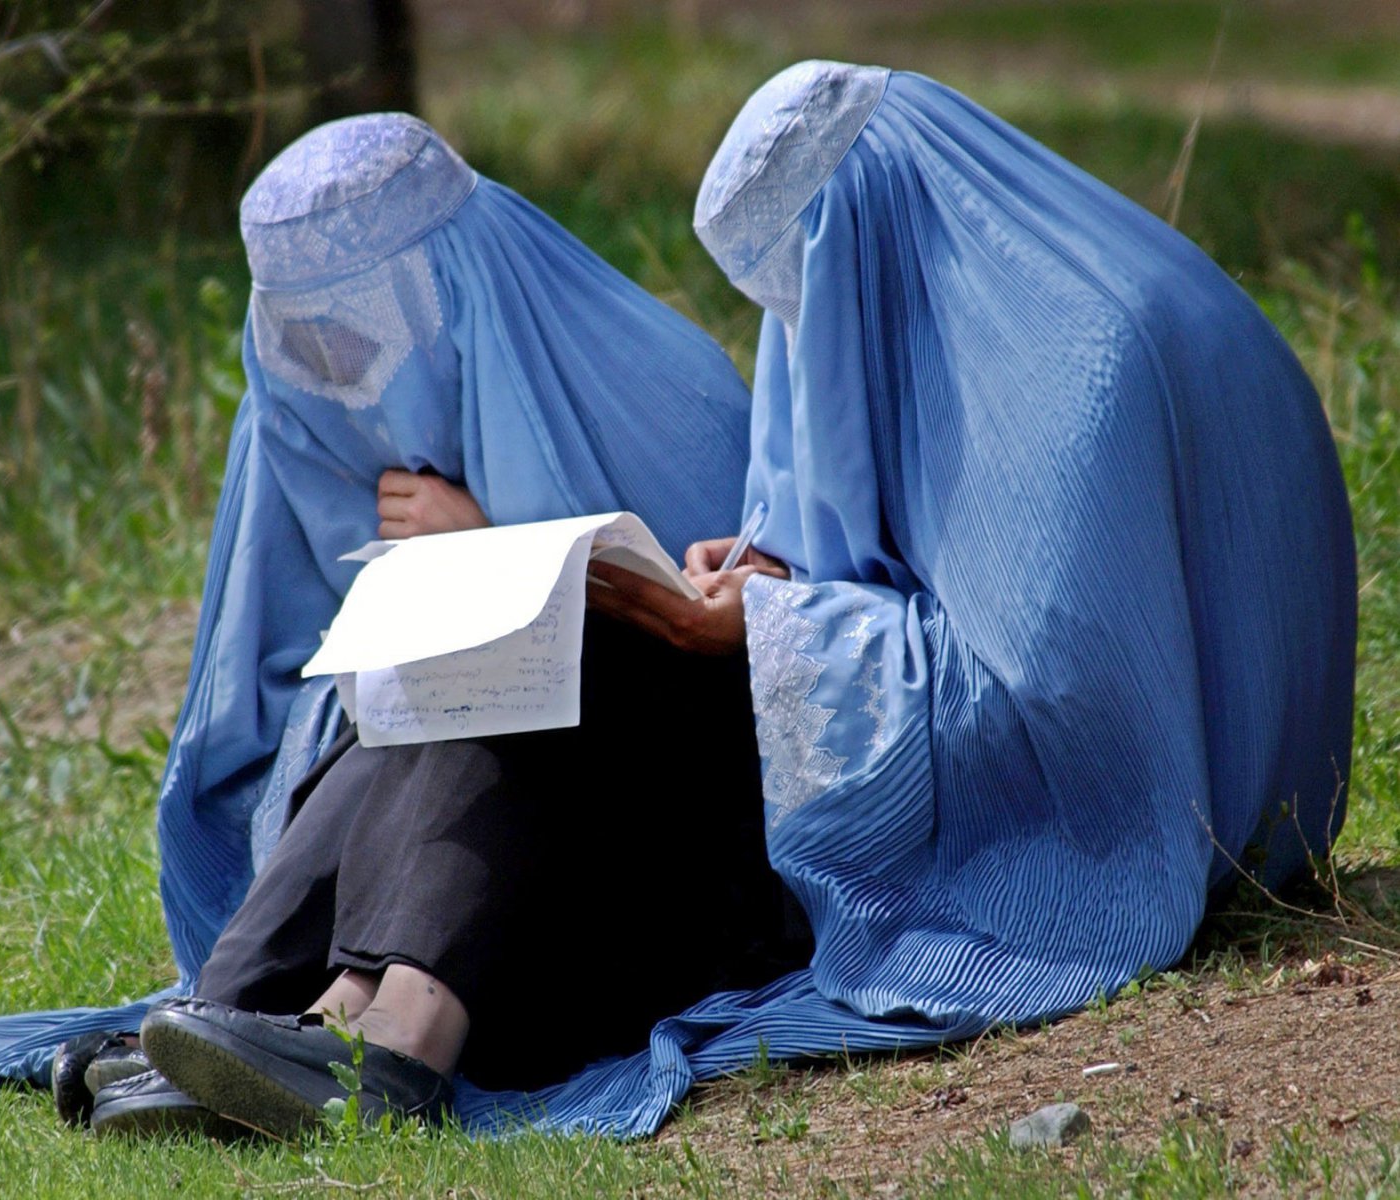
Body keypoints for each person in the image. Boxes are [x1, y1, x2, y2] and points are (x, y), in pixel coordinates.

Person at [533, 59, 1353, 1135]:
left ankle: (450, 1015)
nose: (800, 339)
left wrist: (775, 628)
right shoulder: (1057, 288)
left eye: (806, 297)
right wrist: (782, 565)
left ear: (860, 232)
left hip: (1132, 824)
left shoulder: (1081, 377)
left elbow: (1069, 712)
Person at [86, 111, 811, 1137]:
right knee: (403, 687)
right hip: (496, 940)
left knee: (529, 643)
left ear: (455, 291)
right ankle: (251, 1017)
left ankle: (394, 1049)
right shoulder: (311, 443)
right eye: (311, 349)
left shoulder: (663, 384)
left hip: (667, 893)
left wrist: (491, 550)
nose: (346, 382)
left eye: (367, 336)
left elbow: (763, 681)